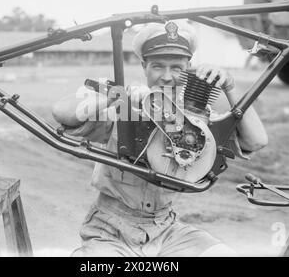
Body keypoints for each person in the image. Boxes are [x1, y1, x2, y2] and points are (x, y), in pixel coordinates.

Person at [52, 21, 268, 257]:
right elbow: (62, 111)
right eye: (157, 66)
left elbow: (255, 141)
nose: (166, 77)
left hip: (167, 230)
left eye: (176, 67)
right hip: (110, 229)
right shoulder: (125, 110)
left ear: (189, 68)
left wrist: (230, 87)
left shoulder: (194, 123)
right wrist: (118, 96)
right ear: (144, 66)